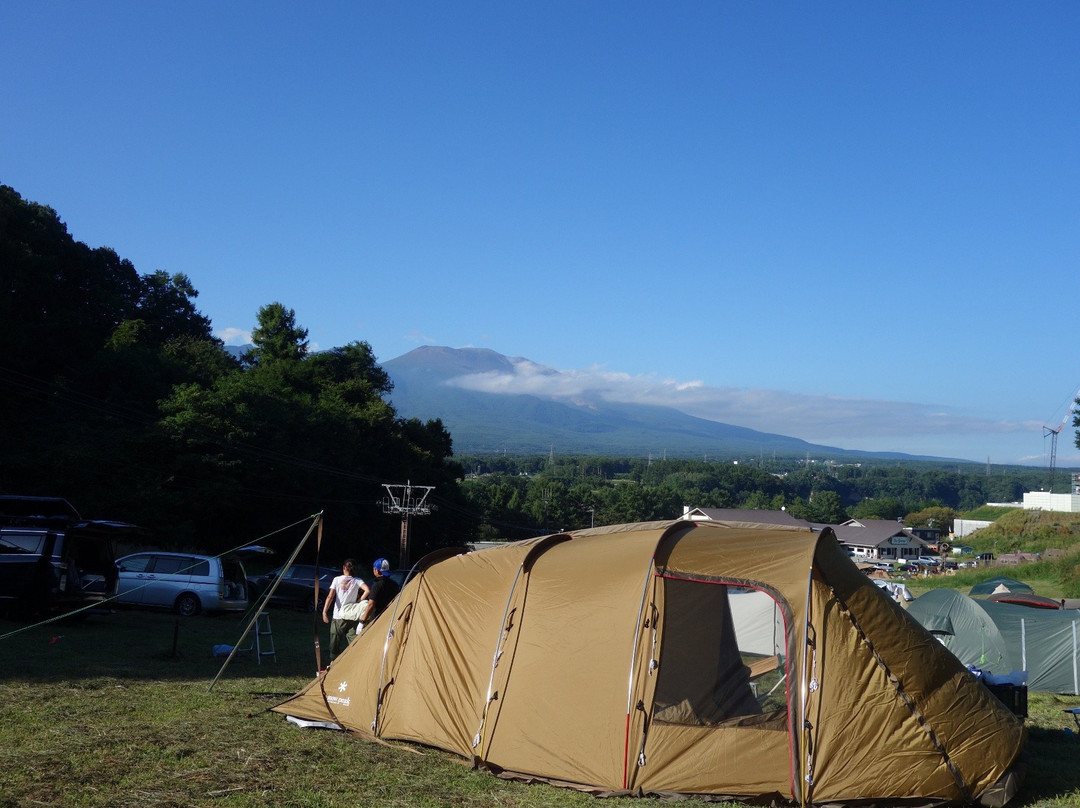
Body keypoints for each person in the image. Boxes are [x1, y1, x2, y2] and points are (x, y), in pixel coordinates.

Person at [322, 559, 369, 663]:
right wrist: (359, 600)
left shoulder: (337, 580)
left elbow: (330, 596)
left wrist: (324, 612)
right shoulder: (357, 580)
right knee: (354, 641)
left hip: (338, 616)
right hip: (351, 616)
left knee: (335, 642)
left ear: (344, 567)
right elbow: (367, 590)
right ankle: (356, 662)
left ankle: (333, 663)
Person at [359, 557, 400, 625]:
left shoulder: (377, 585)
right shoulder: (395, 585)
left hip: (377, 619)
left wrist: (362, 621)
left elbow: (371, 604)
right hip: (390, 618)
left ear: (377, 571)